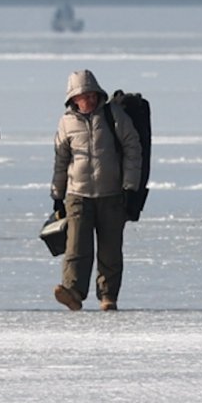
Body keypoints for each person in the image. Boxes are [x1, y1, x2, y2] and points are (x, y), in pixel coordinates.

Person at [50, 69, 141, 311]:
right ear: (73, 99)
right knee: (76, 247)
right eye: (82, 96)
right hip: (77, 194)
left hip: (112, 194)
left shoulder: (114, 115)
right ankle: (73, 292)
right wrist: (57, 195)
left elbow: (133, 149)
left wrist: (130, 187)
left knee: (110, 250)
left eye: (91, 95)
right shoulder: (66, 122)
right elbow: (61, 160)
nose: (88, 100)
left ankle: (108, 296)